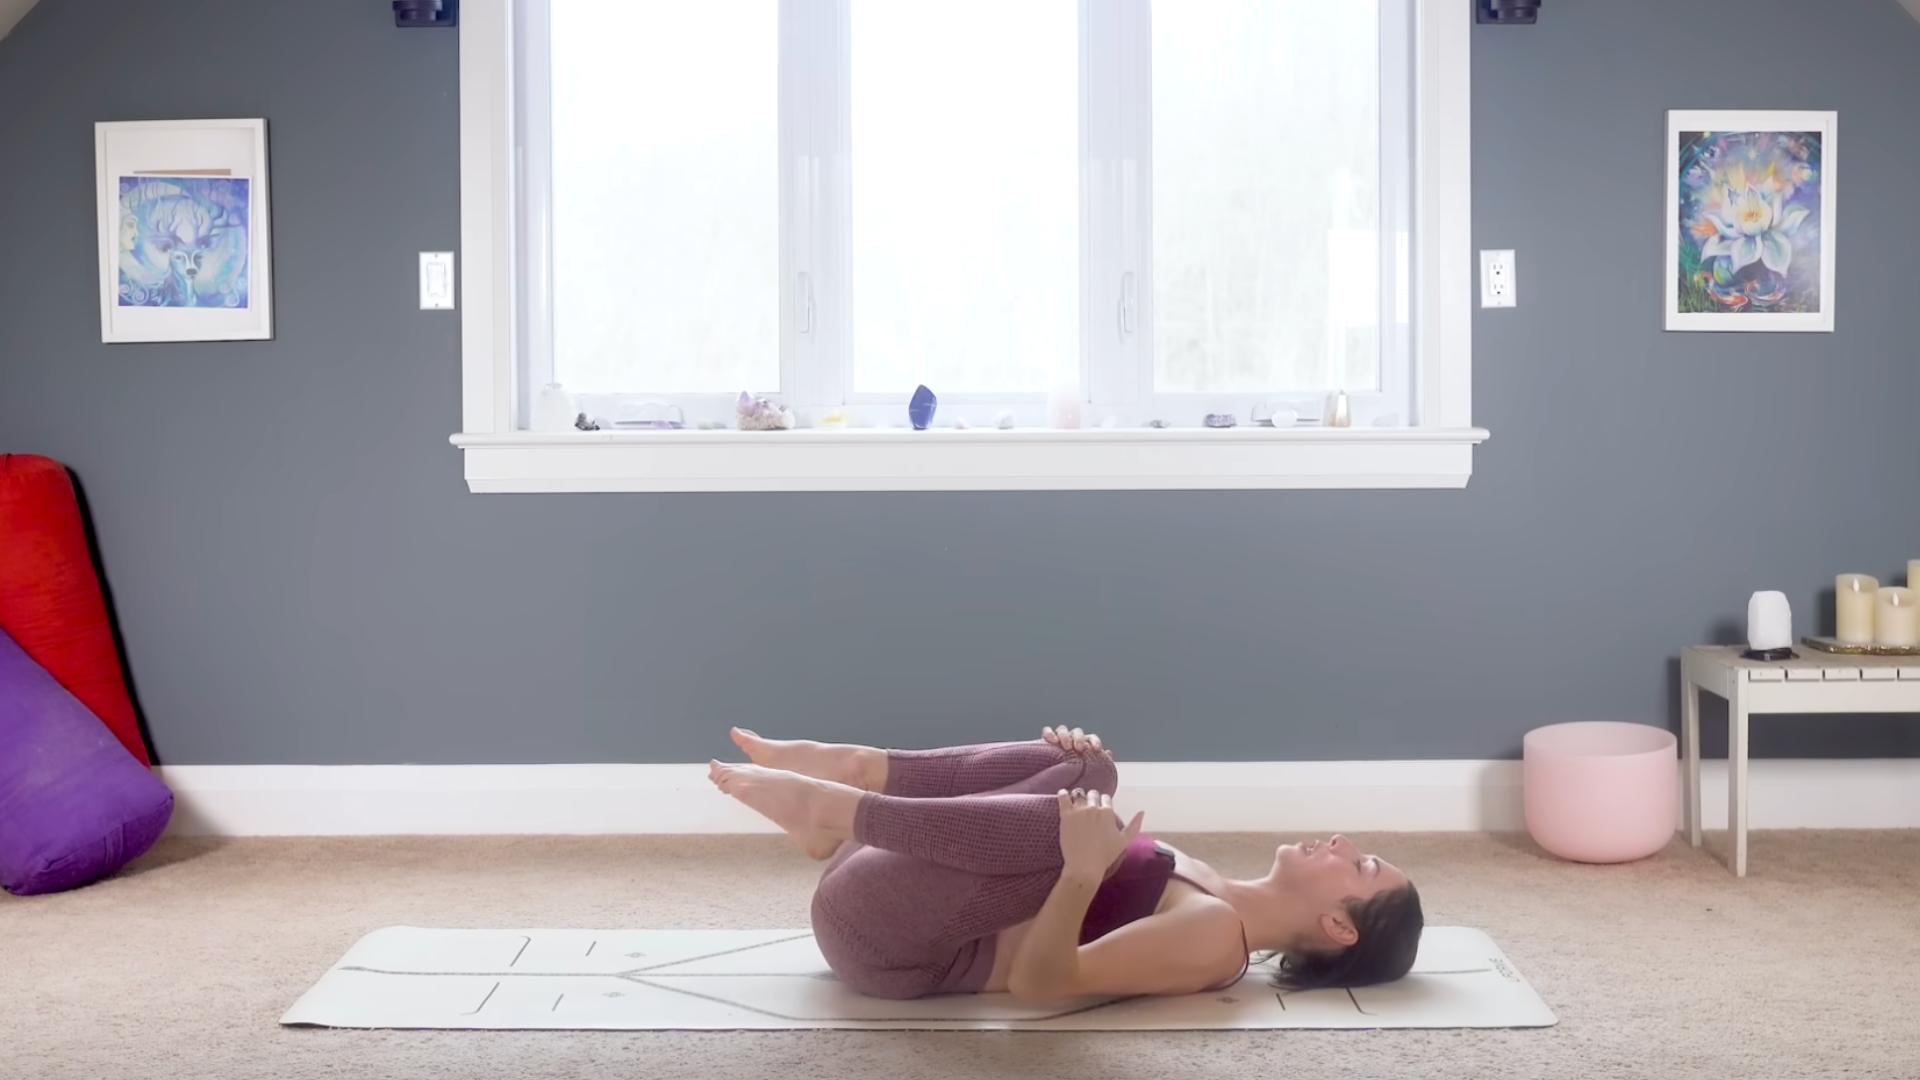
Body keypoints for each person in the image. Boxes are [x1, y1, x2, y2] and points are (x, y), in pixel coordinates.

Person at [707, 725, 1424, 1003]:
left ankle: (837, 809)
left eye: (1361, 867)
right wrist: (1070, 781)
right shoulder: (1206, 880)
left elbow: (1042, 985)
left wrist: (1082, 873)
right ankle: (859, 774)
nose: (1340, 843)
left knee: (1093, 815)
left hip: (889, 944)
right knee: (1089, 766)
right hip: (887, 882)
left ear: (1338, 926)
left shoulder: (1216, 937)